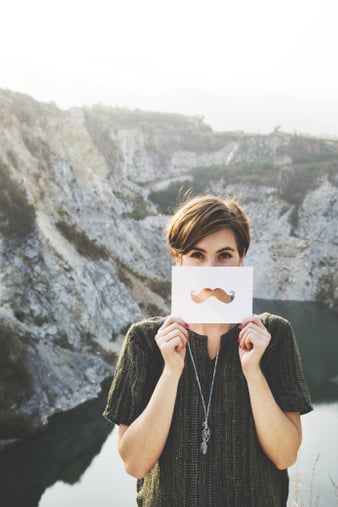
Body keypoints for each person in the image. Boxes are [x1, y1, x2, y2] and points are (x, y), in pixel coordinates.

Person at [103, 194, 313, 506]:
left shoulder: (273, 335)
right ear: (179, 260)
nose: (211, 268)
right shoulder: (145, 341)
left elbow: (285, 456)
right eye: (197, 255)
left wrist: (254, 372)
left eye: (224, 255)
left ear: (242, 259)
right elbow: (134, 463)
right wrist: (170, 373)